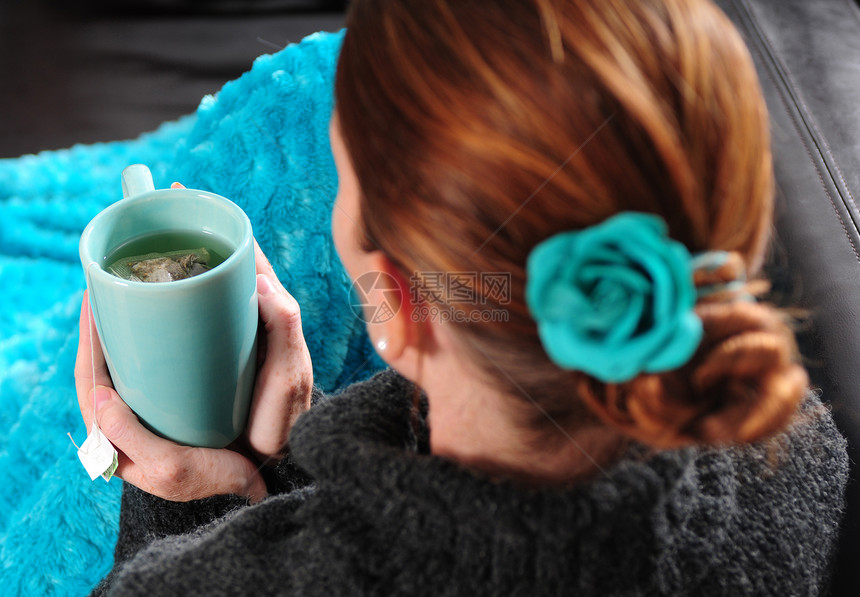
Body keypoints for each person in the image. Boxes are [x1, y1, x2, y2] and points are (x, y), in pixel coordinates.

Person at [75, 0, 848, 594]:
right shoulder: (794, 445)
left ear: (400, 306)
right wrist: (288, 471)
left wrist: (195, 506)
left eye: (343, 180)